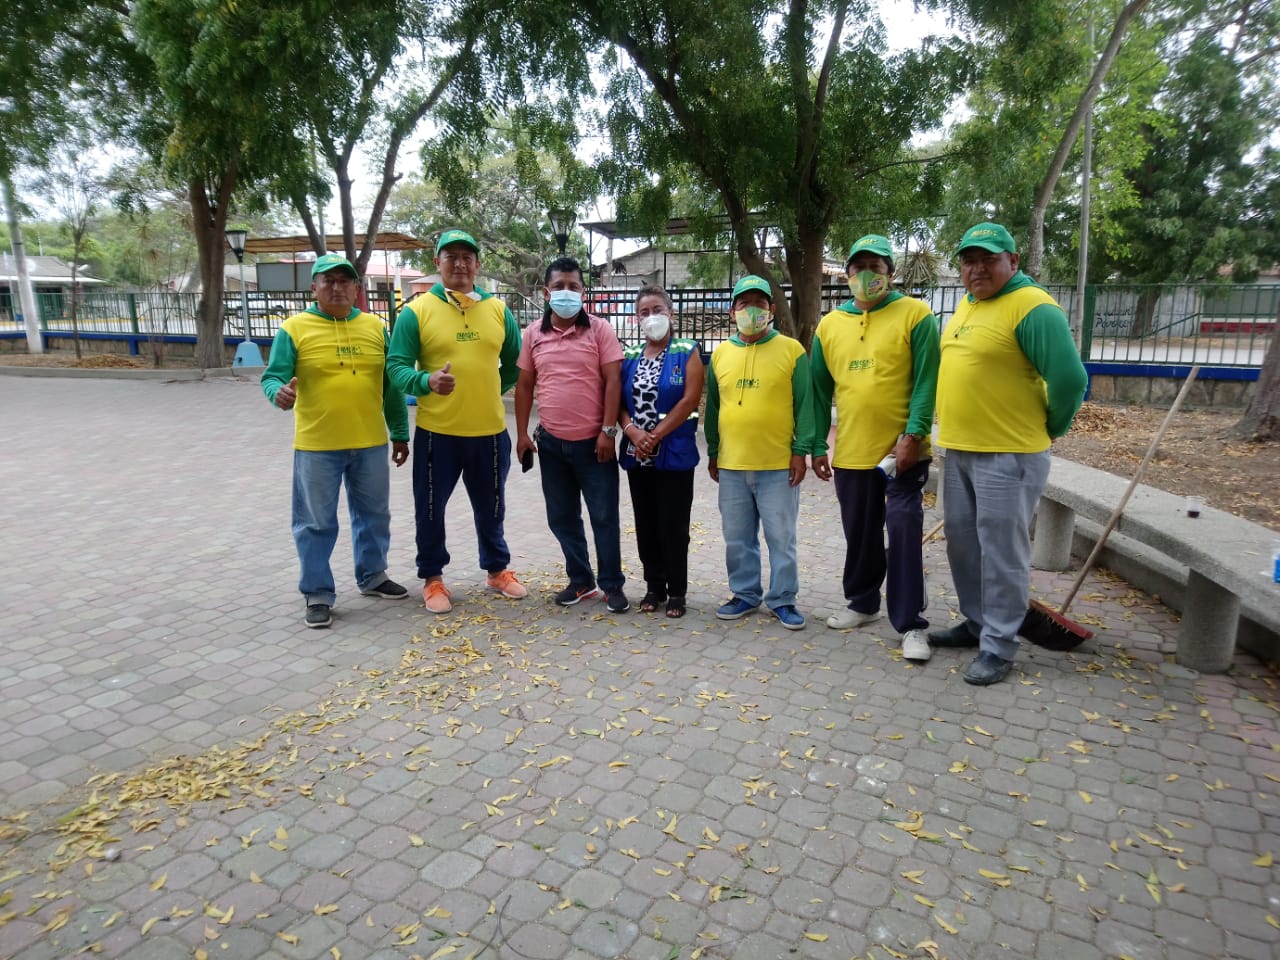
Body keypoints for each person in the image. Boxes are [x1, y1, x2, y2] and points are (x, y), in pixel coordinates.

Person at [929, 223, 1089, 685]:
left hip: (1008, 455)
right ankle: (978, 622)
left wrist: (1050, 428)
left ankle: (999, 645)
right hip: (959, 449)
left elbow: (1070, 381)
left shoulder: (1033, 308)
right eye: (969, 261)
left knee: (1002, 553)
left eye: (989, 259)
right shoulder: (969, 304)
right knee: (964, 545)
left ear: (1013, 261)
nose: (977, 269)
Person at [261, 253, 410, 629]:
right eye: (328, 281)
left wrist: (399, 433)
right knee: (315, 522)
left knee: (374, 515)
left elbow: (391, 387)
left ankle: (373, 576)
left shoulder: (375, 328)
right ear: (314, 287)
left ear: (357, 288)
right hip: (317, 446)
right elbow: (272, 376)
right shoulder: (294, 329)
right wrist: (278, 393)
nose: (337, 287)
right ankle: (317, 593)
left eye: (345, 281)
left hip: (370, 442)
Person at [811, 234, 940, 661]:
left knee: (903, 530)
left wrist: (913, 435)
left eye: (876, 267)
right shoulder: (830, 326)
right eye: (859, 268)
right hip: (852, 452)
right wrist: (816, 444)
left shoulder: (916, 315)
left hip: (903, 453)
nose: (867, 275)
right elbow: (818, 391)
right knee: (860, 535)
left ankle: (911, 624)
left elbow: (926, 381)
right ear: (847, 274)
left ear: (891, 272)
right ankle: (863, 602)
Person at [386, 228, 525, 614]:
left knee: (492, 507)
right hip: (438, 434)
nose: (460, 264)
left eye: (467, 257)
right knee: (430, 508)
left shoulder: (498, 310)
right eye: (451, 257)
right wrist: (425, 382)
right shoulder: (416, 312)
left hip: (490, 431)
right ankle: (432, 578)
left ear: (478, 264)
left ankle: (497, 570)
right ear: (438, 263)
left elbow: (516, 363)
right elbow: (396, 367)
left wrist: (491, 387)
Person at [514, 256, 629, 613]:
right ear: (546, 293)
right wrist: (522, 434)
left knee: (604, 517)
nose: (567, 292)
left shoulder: (600, 330)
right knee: (562, 518)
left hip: (595, 446)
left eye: (573, 286)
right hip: (551, 445)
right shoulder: (533, 334)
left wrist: (608, 431)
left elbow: (613, 381)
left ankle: (612, 584)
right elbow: (524, 385)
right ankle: (581, 580)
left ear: (583, 292)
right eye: (559, 286)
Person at [705, 275, 815, 630]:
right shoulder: (720, 354)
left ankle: (782, 599)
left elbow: (805, 405)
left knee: (781, 538)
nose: (751, 310)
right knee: (737, 539)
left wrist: (801, 451)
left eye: (759, 303)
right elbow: (713, 409)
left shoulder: (791, 351)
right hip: (732, 465)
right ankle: (745, 594)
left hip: (777, 466)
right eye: (743, 303)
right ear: (732, 311)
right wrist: (713, 451)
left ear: (771, 310)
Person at [618, 286, 704, 618]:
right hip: (638, 455)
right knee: (646, 524)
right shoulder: (630, 356)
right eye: (644, 312)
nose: (651, 317)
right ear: (636, 318)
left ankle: (677, 591)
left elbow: (689, 400)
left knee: (674, 525)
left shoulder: (686, 351)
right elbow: (619, 402)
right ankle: (654, 587)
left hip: (674, 454)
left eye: (657, 310)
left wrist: (654, 436)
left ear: (671, 313)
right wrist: (632, 431)